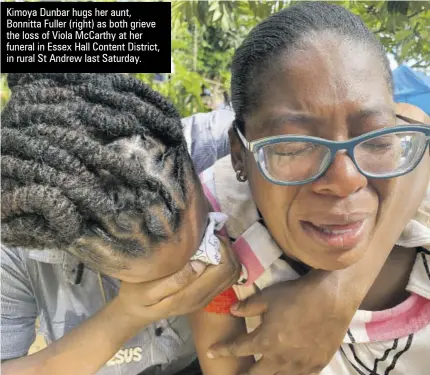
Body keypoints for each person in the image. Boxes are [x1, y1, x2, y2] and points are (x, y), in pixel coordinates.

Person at [187, 3, 430, 375]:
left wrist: (338, 293)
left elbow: (413, 118)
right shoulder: (216, 240)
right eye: (294, 146)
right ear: (240, 156)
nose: (346, 179)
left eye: (376, 140)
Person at [1, 72, 240, 375]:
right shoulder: (14, 244)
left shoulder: (212, 145)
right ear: (72, 250)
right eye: (161, 283)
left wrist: (319, 289)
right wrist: (125, 316)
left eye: (202, 244)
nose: (197, 273)